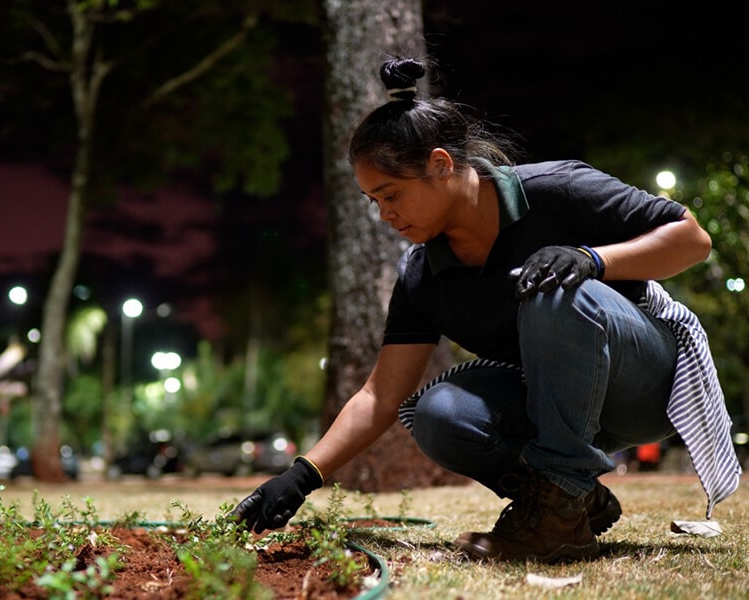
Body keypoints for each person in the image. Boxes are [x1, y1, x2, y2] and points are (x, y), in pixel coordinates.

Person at [230, 56, 741, 562]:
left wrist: (592, 259)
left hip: (645, 382)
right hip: (554, 403)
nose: (385, 215)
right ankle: (574, 499)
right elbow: (381, 394)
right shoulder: (422, 275)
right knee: (438, 414)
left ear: (440, 165)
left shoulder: (554, 189)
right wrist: (301, 477)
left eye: (391, 195)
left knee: (550, 285)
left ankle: (560, 503)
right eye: (373, 201)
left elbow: (692, 240)